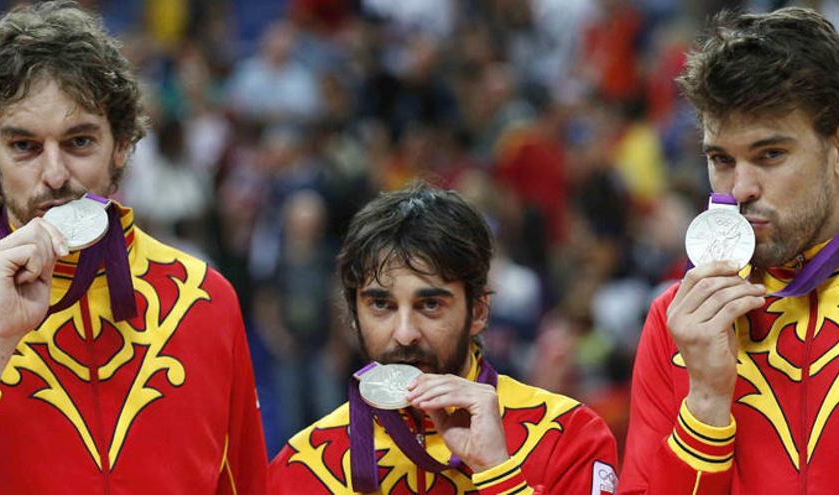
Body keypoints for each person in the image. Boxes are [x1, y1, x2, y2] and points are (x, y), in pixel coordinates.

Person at [0, 2, 267, 493]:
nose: (56, 175)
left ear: (121, 143)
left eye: (79, 142)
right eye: (25, 146)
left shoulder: (206, 299)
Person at [269, 182, 619, 494]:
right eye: (380, 305)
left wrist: (499, 473)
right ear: (354, 317)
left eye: (431, 304)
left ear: (479, 311)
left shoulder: (567, 437)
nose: (405, 333)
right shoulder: (303, 467)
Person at [619, 7, 839, 495]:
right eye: (720, 160)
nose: (739, 189)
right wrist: (706, 402)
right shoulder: (676, 323)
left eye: (770, 155)